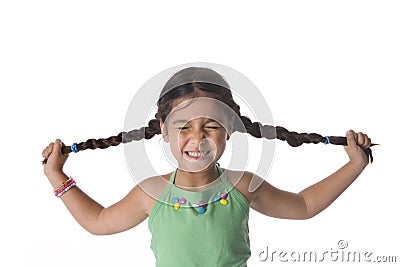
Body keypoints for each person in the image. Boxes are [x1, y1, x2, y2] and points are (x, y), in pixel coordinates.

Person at [42, 67, 372, 267]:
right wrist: (56, 175)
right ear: (164, 128)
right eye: (183, 126)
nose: (197, 138)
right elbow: (99, 222)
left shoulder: (242, 185)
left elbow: (302, 206)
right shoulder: (152, 192)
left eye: (211, 125)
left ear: (229, 127)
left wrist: (355, 166)